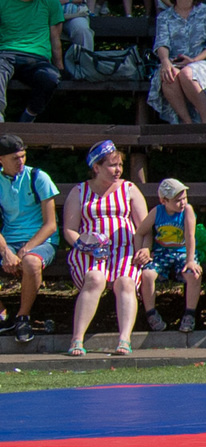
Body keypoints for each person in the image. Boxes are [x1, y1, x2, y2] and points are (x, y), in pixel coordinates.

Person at [60, 139, 148, 356]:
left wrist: (145, 249)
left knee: (126, 282)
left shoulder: (129, 189)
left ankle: (124, 339)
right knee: (95, 278)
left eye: (119, 165)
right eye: (112, 165)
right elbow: (69, 230)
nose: (118, 170)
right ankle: (77, 339)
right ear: (96, 167)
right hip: (90, 251)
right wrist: (83, 244)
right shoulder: (79, 192)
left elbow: (144, 226)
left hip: (124, 252)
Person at [0, 133, 60, 342]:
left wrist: (25, 249)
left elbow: (51, 224)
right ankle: (3, 316)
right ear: (1, 159)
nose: (21, 162)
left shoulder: (38, 177)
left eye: (23, 156)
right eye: (15, 158)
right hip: (8, 240)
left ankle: (22, 317)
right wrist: (6, 251)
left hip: (41, 241)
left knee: (31, 262)